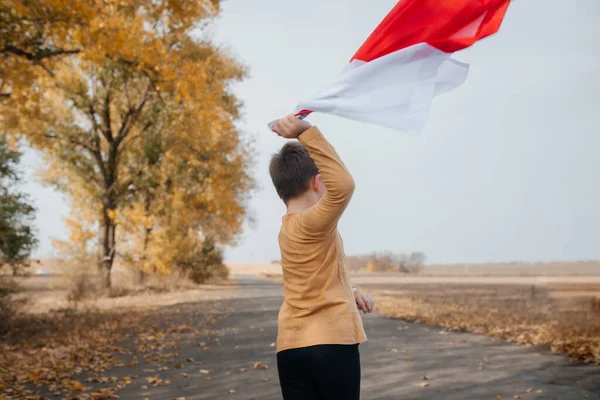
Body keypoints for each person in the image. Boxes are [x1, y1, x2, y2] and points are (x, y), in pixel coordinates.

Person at [269, 115, 375, 400]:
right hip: (330, 345)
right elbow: (344, 185)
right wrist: (306, 132)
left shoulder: (286, 228)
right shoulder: (313, 222)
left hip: (291, 347)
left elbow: (312, 279)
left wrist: (349, 291)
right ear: (318, 182)